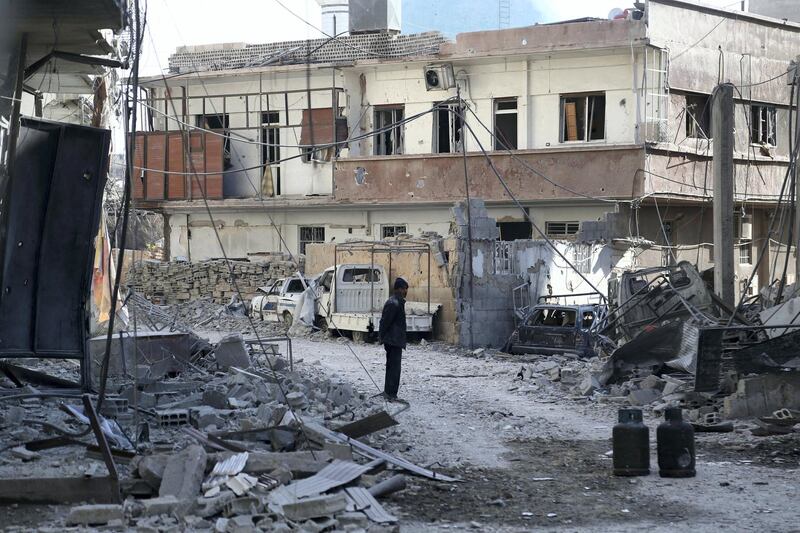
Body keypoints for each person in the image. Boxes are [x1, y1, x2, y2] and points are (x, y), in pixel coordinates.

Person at [379, 277, 408, 401]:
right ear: (398, 289)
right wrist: (381, 337)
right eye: (404, 289)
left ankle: (389, 392)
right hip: (393, 340)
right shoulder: (394, 303)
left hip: (394, 339)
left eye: (406, 289)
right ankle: (391, 394)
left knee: (392, 367)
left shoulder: (397, 302)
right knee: (394, 368)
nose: (406, 291)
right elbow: (385, 322)